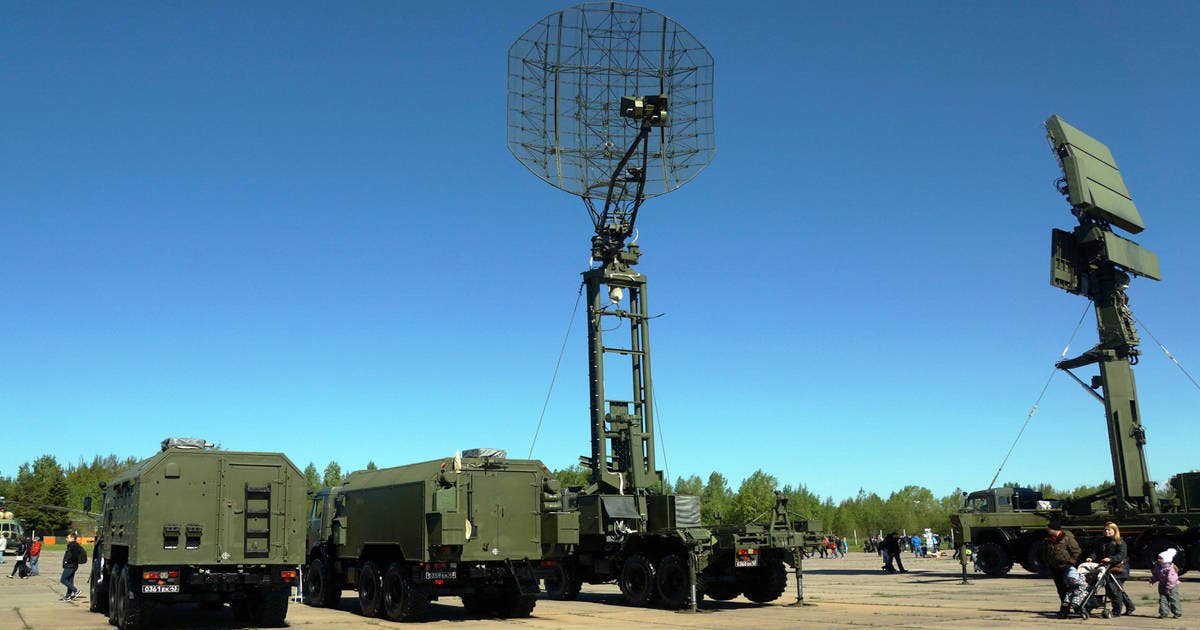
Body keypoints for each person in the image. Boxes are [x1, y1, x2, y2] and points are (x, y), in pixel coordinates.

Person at [1085, 521, 1134, 616]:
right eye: (1105, 530)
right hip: (1106, 569)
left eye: (1109, 530)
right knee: (1116, 589)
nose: (1107, 532)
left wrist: (1111, 559)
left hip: (1119, 569)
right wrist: (1091, 557)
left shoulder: (1120, 542)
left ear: (1115, 531)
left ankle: (1116, 611)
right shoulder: (1101, 541)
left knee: (1114, 589)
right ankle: (1130, 606)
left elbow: (1121, 555)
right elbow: (1096, 552)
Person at [1038, 520, 1081, 619]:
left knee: (1069, 588)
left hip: (1066, 567)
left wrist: (1071, 562)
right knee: (1060, 589)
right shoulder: (1048, 539)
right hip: (1054, 567)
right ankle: (1065, 607)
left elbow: (1077, 551)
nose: (1048, 530)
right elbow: (1045, 552)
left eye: (1050, 528)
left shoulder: (1067, 538)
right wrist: (1046, 563)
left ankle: (1073, 606)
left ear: (1055, 529)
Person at [1149, 548, 1183, 619]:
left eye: (1161, 558)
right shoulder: (1158, 566)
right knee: (1162, 599)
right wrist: (1152, 580)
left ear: (1167, 559)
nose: (1158, 560)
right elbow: (1156, 574)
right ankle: (1163, 613)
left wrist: (1168, 588)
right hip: (1162, 585)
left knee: (1173, 599)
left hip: (1172, 586)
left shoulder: (1170, 568)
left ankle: (1177, 613)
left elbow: (1171, 579)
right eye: (1158, 558)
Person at [60, 532, 87, 600]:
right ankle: (68, 595)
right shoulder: (73, 545)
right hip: (73, 565)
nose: (66, 539)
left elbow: (74, 556)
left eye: (68, 537)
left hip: (70, 566)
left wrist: (68, 561)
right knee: (70, 581)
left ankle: (76, 591)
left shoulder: (73, 545)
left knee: (63, 580)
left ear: (72, 538)